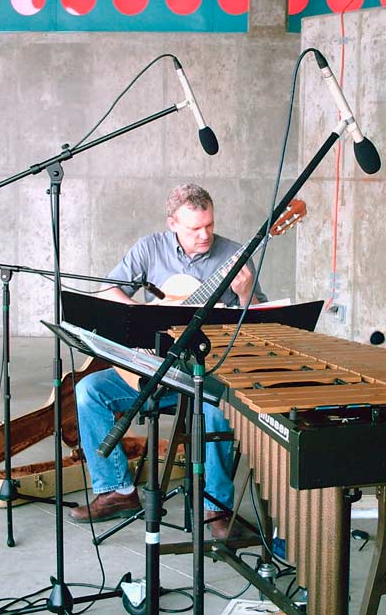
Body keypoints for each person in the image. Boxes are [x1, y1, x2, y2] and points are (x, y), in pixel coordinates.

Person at [70, 183, 267, 539]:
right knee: (88, 391)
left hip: (204, 374)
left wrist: (244, 293)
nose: (205, 234)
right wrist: (144, 313)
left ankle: (215, 510)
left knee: (214, 411)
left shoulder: (236, 255)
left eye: (209, 224)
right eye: (195, 228)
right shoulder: (150, 249)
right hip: (151, 370)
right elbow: (107, 289)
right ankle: (118, 490)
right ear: (172, 223)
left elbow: (256, 325)